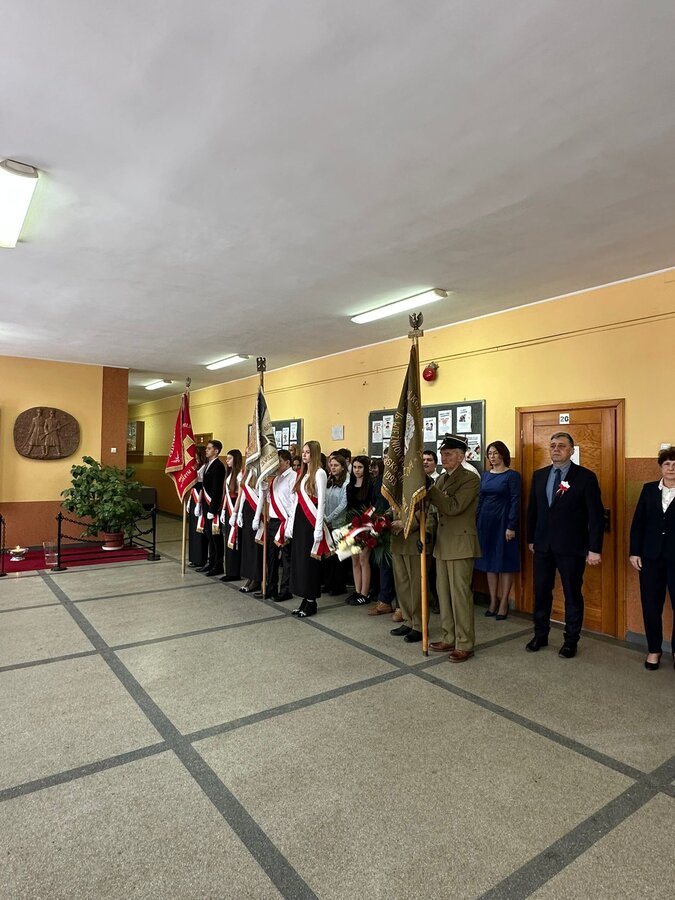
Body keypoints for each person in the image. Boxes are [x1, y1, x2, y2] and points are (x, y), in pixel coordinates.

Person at [526, 431, 604, 658]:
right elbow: (533, 511)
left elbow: (595, 516)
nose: (556, 449)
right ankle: (540, 635)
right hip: (543, 546)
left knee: (572, 594)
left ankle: (571, 640)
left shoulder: (585, 477)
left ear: (571, 450)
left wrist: (594, 548)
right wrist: (531, 539)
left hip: (571, 547)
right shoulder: (539, 476)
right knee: (541, 592)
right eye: (552, 445)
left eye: (561, 445)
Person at [426, 435, 481, 662]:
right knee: (444, 594)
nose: (443, 458)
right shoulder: (441, 479)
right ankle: (449, 637)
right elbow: (433, 511)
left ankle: (465, 642)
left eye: (448, 454)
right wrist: (427, 533)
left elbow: (453, 507)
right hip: (442, 544)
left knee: (460, 596)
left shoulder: (470, 479)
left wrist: (431, 489)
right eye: (442, 454)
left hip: (460, 544)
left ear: (461, 456)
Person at [629, 446, 675, 671]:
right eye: (667, 464)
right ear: (661, 467)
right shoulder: (648, 490)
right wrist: (634, 552)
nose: (671, 468)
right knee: (650, 605)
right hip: (650, 557)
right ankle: (654, 650)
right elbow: (638, 523)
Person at [286, 441, 334, 617]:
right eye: (303, 452)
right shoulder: (303, 473)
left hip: (311, 522)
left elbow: (321, 502)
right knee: (300, 561)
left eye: (307, 452)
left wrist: (318, 528)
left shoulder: (320, 473)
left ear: (314, 453)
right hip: (300, 521)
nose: (304, 455)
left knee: (310, 563)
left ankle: (311, 600)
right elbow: (296, 502)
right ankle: (304, 598)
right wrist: (290, 524)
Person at [475, 441, 521, 619]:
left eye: (495, 453)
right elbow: (480, 499)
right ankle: (493, 600)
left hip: (503, 523)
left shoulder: (512, 476)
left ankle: (504, 602)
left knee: (505, 561)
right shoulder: (485, 475)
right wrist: (476, 521)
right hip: (485, 523)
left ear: (503, 454)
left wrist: (511, 526)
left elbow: (515, 501)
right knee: (489, 563)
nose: (492, 456)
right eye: (489, 453)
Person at [253, 449, 296, 600]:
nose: (275, 465)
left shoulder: (293, 477)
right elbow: (270, 499)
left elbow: (294, 503)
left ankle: (286, 590)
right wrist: (264, 489)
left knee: (286, 558)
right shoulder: (276, 479)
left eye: (278, 462)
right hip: (273, 521)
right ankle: (270, 587)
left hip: (285, 522)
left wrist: (290, 524)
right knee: (270, 556)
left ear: (287, 462)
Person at [346, 454, 374, 605]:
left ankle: (364, 593)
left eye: (360, 467)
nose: (357, 470)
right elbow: (349, 507)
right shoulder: (349, 486)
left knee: (364, 560)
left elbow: (373, 506)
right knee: (354, 560)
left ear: (366, 468)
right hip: (352, 526)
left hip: (365, 526)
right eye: (355, 467)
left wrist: (365, 524)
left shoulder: (370, 485)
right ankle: (357, 591)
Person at [197, 440, 226, 576]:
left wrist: (213, 509)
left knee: (216, 537)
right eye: (206, 448)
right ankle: (211, 562)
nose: (206, 450)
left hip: (213, 508)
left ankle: (218, 565)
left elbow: (217, 490)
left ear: (216, 451)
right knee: (209, 535)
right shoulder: (208, 464)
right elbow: (204, 486)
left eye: (209, 448)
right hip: (206, 505)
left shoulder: (218, 466)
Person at [323, 454, 350, 596]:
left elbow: (343, 505)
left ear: (343, 467)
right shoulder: (329, 480)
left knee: (339, 557)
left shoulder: (346, 482)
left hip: (340, 523)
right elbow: (323, 499)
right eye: (331, 465)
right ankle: (329, 583)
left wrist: (329, 517)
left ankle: (339, 586)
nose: (333, 468)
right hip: (327, 523)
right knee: (329, 556)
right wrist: (324, 517)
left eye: (336, 465)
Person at [236, 466, 262, 593]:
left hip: (256, 510)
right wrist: (239, 513)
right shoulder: (247, 472)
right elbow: (243, 494)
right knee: (247, 545)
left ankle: (256, 578)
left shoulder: (260, 470)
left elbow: (262, 496)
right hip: (246, 510)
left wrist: (257, 516)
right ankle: (249, 576)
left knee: (255, 547)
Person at [219, 449, 243, 582]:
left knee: (234, 541)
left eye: (230, 458)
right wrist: (223, 510)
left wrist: (235, 513)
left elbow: (240, 495)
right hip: (228, 507)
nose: (227, 460)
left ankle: (234, 572)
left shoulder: (240, 475)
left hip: (235, 507)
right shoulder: (229, 474)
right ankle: (228, 569)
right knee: (228, 539)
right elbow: (226, 494)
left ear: (236, 459)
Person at [188, 444, 208, 568]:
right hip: (193, 498)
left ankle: (200, 559)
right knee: (193, 530)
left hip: (200, 500)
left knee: (199, 531)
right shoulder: (195, 467)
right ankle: (193, 557)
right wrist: (189, 501)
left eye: (196, 455)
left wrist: (198, 503)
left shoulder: (204, 468)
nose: (194, 457)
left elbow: (202, 488)